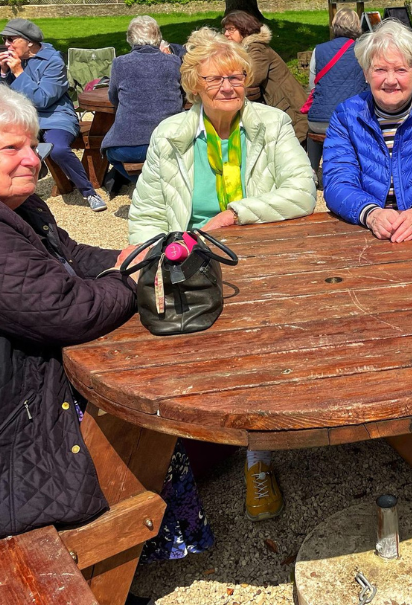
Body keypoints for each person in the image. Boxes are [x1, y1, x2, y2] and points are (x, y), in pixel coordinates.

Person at [128, 27, 316, 521]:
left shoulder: (271, 123)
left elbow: (302, 193)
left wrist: (236, 212)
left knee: (262, 348)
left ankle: (258, 457)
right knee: (186, 348)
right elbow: (147, 214)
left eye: (236, 76)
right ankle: (194, 444)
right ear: (194, 83)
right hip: (190, 257)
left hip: (264, 253)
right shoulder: (170, 135)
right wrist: (145, 256)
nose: (227, 86)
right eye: (215, 79)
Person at [0, 83, 138, 541]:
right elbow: (64, 310)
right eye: (10, 148)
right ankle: (111, 551)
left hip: (28, 379)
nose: (33, 160)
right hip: (17, 414)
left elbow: (72, 257)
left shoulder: (23, 206)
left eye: (31, 145)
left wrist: (133, 256)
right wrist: (127, 282)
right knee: (133, 401)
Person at [323, 19, 412, 242]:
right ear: (365, 73)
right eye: (380, 70)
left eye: (401, 70)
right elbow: (337, 181)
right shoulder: (346, 116)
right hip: (365, 229)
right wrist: (371, 214)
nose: (390, 80)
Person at [0, 18, 107, 211]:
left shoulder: (53, 62)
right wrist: (5, 73)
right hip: (25, 119)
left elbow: (42, 100)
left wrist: (18, 72)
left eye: (11, 39)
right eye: (4, 39)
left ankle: (89, 192)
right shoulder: (12, 61)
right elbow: (5, 97)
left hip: (55, 116)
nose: (6, 45)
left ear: (28, 41)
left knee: (57, 149)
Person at [101, 16, 184, 181]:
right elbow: (182, 93)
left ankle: (142, 184)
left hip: (130, 146)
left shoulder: (120, 63)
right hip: (170, 141)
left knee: (110, 151)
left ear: (130, 38)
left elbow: (113, 98)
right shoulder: (174, 62)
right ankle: (153, 185)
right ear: (158, 38)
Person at [220, 10, 308, 144]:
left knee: (290, 154)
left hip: (292, 110)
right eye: (225, 30)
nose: (226, 34)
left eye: (231, 30)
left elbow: (252, 79)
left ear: (244, 29)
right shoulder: (248, 49)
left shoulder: (256, 49)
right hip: (284, 108)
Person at [304, 8, 367, 175]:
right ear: (357, 25)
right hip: (352, 120)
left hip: (319, 121)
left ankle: (312, 170)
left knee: (313, 128)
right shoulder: (363, 51)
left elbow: (313, 86)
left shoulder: (319, 50)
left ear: (334, 25)